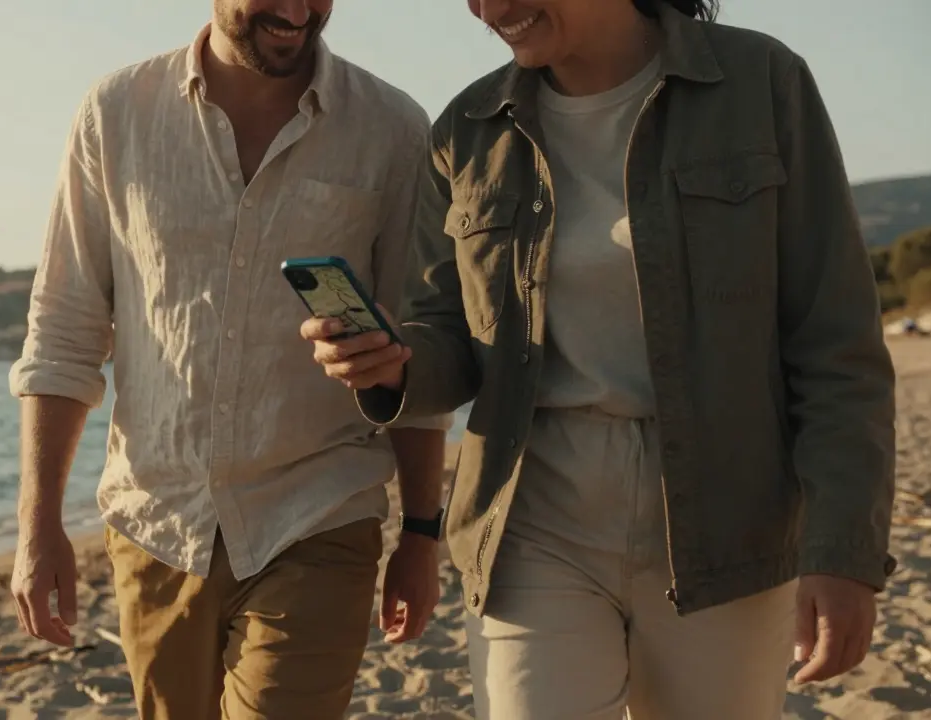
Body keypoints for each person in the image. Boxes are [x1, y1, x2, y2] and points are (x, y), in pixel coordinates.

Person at [303, 0, 897, 717]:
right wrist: (392, 366)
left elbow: (835, 344)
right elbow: (449, 337)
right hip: (532, 519)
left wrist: (843, 551)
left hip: (726, 526)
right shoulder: (467, 129)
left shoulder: (761, 83)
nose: (490, 9)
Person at [6, 1, 452, 718]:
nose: (300, 10)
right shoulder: (114, 114)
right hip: (156, 525)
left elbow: (417, 349)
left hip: (318, 514)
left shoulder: (393, 128)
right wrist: (38, 525)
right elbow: (64, 330)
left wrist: (421, 536)